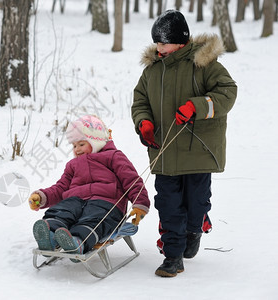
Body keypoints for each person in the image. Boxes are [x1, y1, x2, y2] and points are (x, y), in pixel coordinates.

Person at [131, 10, 237, 277]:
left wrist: (196, 106)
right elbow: (140, 101)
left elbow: (227, 92)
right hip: (164, 153)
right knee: (168, 204)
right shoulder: (153, 70)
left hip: (197, 151)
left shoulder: (204, 63)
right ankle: (173, 256)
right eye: (156, 43)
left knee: (196, 202)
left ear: (180, 41)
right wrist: (143, 122)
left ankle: (195, 227)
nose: (159, 48)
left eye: (163, 43)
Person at [28, 115, 150, 259]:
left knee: (93, 218)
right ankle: (50, 235)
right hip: (76, 200)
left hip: (106, 203)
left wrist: (140, 203)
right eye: (74, 146)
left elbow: (131, 180)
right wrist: (43, 196)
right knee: (64, 208)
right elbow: (61, 188)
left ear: (96, 141)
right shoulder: (72, 165)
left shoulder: (113, 156)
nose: (77, 149)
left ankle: (78, 242)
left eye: (81, 144)